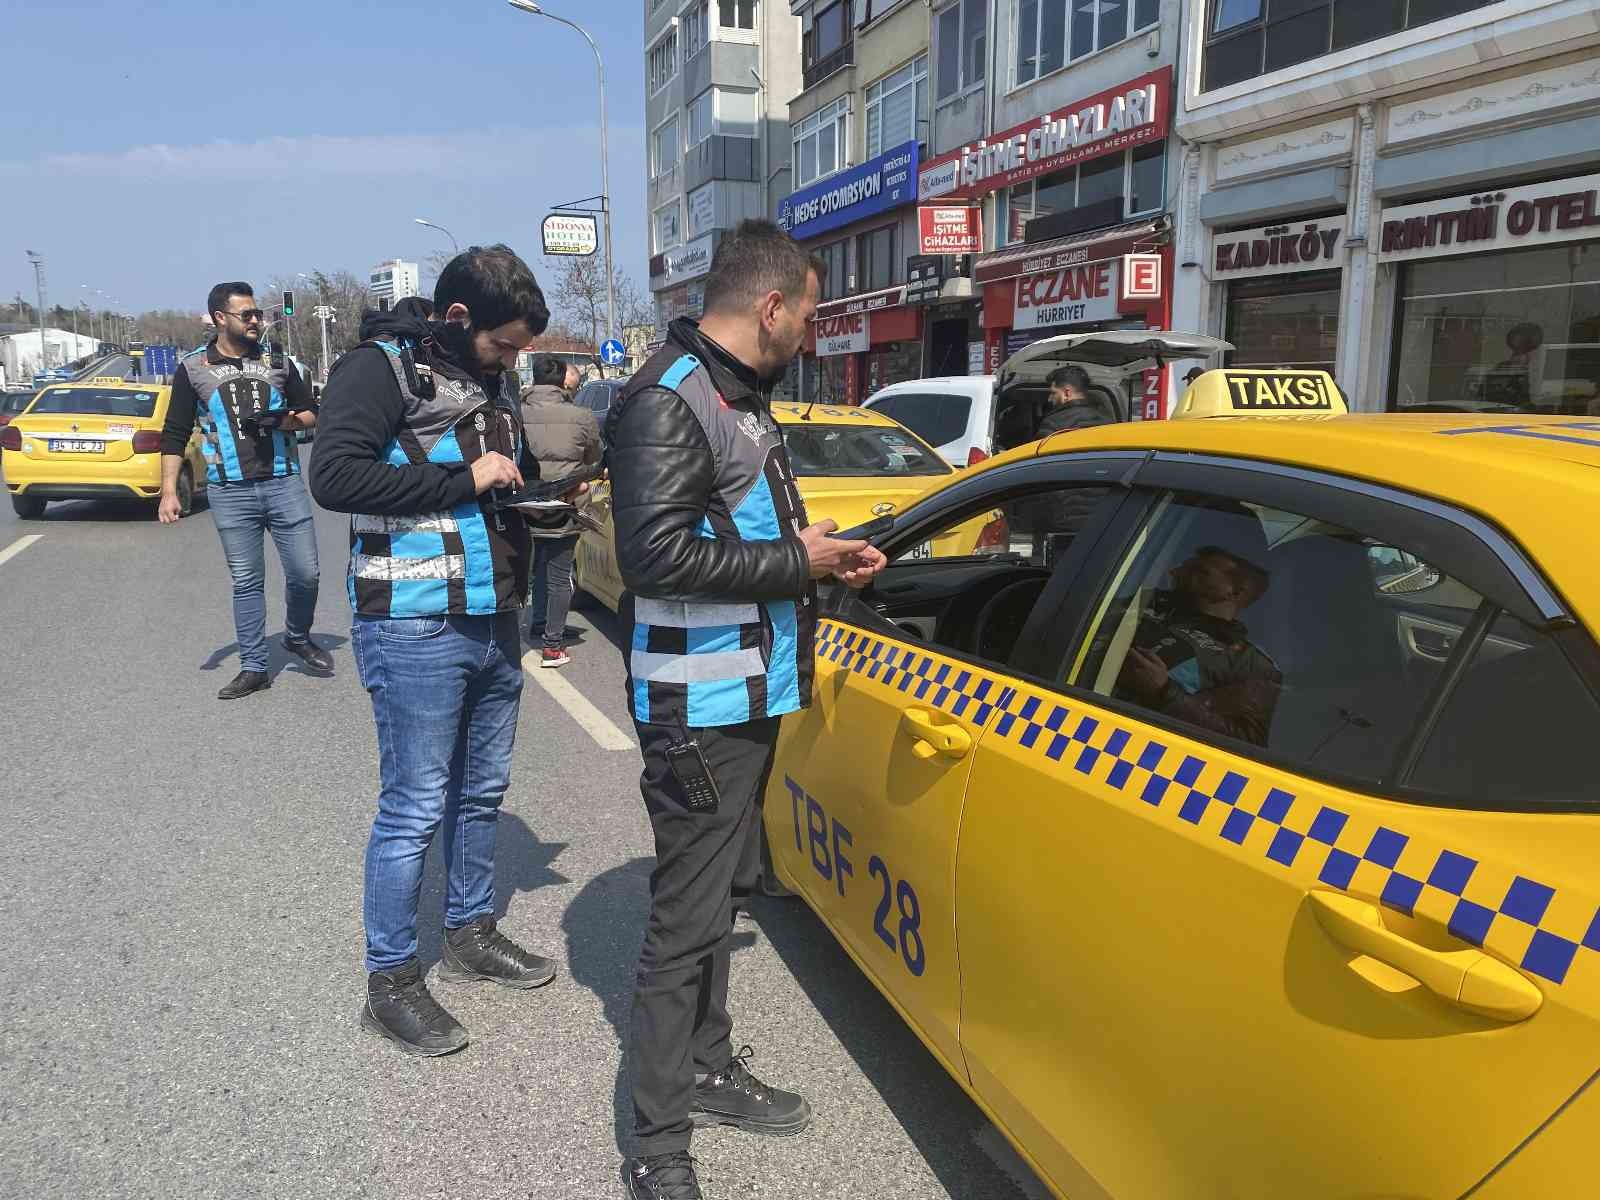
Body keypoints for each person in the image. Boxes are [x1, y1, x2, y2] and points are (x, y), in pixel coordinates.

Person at [606, 219, 886, 1200]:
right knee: (685, 927)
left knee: (717, 901)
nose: (812, 330)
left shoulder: (737, 395)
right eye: (807, 312)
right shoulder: (667, 403)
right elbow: (654, 559)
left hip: (747, 690)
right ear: (769, 306)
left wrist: (825, 555)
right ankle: (655, 1144)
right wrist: (794, 562)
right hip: (697, 708)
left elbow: (742, 530)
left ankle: (709, 1069)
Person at [309, 246, 562, 1057]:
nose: (513, 360)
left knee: (481, 790)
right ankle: (390, 981)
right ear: (458, 319)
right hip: (414, 620)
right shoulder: (375, 369)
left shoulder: (487, 377)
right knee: (416, 804)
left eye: (521, 349)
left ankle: (470, 932)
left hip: (494, 614)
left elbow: (492, 474)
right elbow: (336, 479)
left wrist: (539, 494)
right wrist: (468, 480)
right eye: (504, 345)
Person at [160, 282, 329, 700]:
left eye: (258, 314)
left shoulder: (279, 362)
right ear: (220, 318)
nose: (257, 320)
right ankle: (254, 667)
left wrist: (284, 421)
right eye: (247, 315)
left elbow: (312, 413)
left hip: (284, 483)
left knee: (306, 573)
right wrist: (168, 491)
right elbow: (174, 433)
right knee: (246, 581)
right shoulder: (192, 368)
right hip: (229, 490)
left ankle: (296, 635)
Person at [1116, 545, 1282, 747]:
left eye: (1199, 572)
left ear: (1235, 592)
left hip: (1137, 742)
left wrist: (1163, 692)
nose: (1175, 573)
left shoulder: (1249, 662)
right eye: (1185, 567)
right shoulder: (1146, 601)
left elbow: (1245, 742)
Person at [520, 353, 602, 666]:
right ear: (561, 381)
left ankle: (536, 624)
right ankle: (552, 646)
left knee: (530, 571)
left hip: (524, 507)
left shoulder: (516, 411)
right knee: (558, 577)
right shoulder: (582, 416)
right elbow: (594, 458)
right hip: (564, 506)